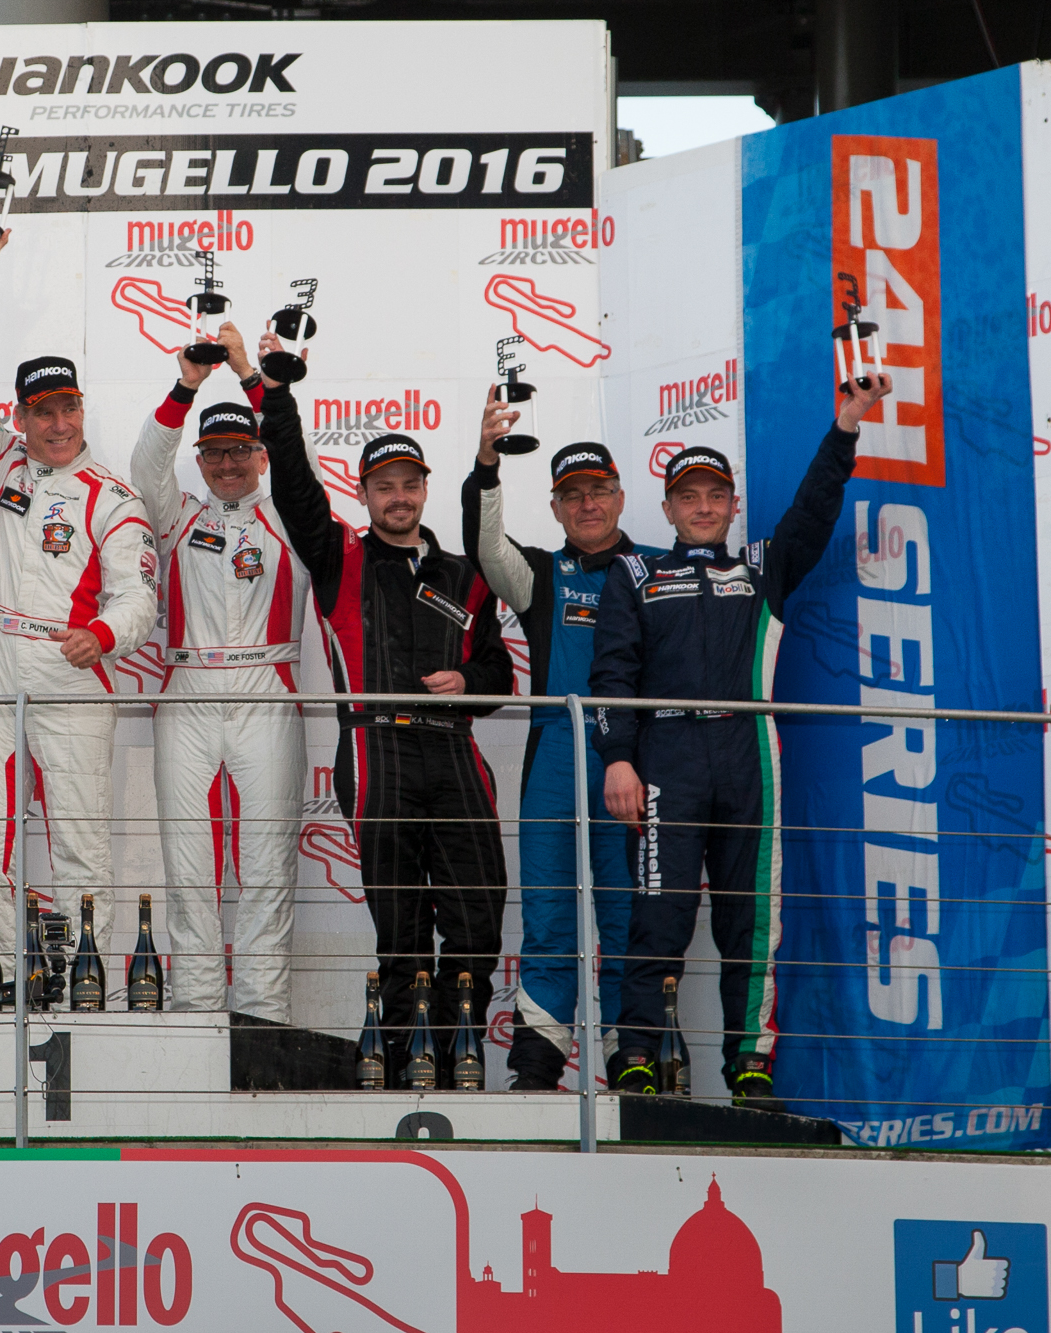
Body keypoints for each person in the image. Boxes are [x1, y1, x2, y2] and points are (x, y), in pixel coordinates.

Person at [592, 373, 894, 1110]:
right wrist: (618, 757)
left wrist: (846, 427)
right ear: (668, 508)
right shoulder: (635, 573)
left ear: (732, 505)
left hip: (749, 751)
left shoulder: (761, 567)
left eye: (715, 495)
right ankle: (635, 1052)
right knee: (657, 913)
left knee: (752, 919)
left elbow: (815, 508)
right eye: (688, 496)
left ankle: (750, 1060)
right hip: (664, 756)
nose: (702, 507)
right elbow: (612, 673)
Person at [262, 360, 513, 1086]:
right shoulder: (339, 557)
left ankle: (461, 1053)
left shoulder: (466, 575)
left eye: (409, 484)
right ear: (364, 493)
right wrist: (274, 395)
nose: (398, 497)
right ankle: (408, 1064)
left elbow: (498, 672)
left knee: (478, 916)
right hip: (376, 750)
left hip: (456, 751)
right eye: (383, 486)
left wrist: (468, 681)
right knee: (401, 928)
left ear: (425, 489)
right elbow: (296, 487)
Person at [0, 216, 159, 983]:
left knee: (79, 841)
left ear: (82, 409)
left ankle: (79, 978)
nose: (59, 423)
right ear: (21, 418)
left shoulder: (114, 497)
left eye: (69, 408)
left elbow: (140, 598)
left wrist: (105, 633)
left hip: (73, 672)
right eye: (43, 411)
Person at [460, 411, 663, 1091]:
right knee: (548, 920)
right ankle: (538, 1065)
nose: (587, 504)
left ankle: (634, 1060)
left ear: (621, 497)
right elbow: (485, 545)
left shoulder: (657, 570)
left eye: (599, 490)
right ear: (554, 507)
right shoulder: (542, 574)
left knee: (629, 921)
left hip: (634, 767)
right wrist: (487, 465)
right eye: (572, 495)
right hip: (553, 764)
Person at [129, 327, 309, 1021]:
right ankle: (197, 1017)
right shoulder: (178, 516)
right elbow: (148, 463)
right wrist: (188, 385)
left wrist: (253, 378)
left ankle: (262, 1020)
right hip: (188, 696)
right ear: (199, 460)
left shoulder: (290, 515)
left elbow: (296, 459)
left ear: (261, 454)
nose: (228, 463)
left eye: (240, 450)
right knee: (188, 869)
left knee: (266, 868)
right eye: (214, 452)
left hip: (268, 694)